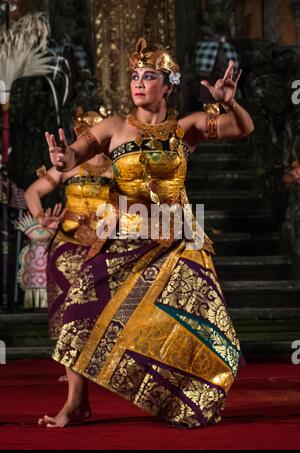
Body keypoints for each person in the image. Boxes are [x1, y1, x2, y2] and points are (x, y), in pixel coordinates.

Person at [38, 37, 254, 428]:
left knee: (197, 325)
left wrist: (229, 102)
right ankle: (76, 403)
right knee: (78, 314)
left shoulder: (185, 127)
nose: (138, 83)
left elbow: (242, 127)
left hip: (176, 241)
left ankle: (187, 397)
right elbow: (74, 155)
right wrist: (62, 157)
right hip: (121, 238)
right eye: (135, 76)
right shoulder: (114, 127)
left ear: (168, 86)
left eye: (149, 76)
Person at [25, 112, 114, 341]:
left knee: (102, 304)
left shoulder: (117, 167)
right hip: (68, 244)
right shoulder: (69, 166)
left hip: (104, 246)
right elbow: (33, 191)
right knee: (68, 303)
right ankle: (68, 364)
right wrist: (41, 217)